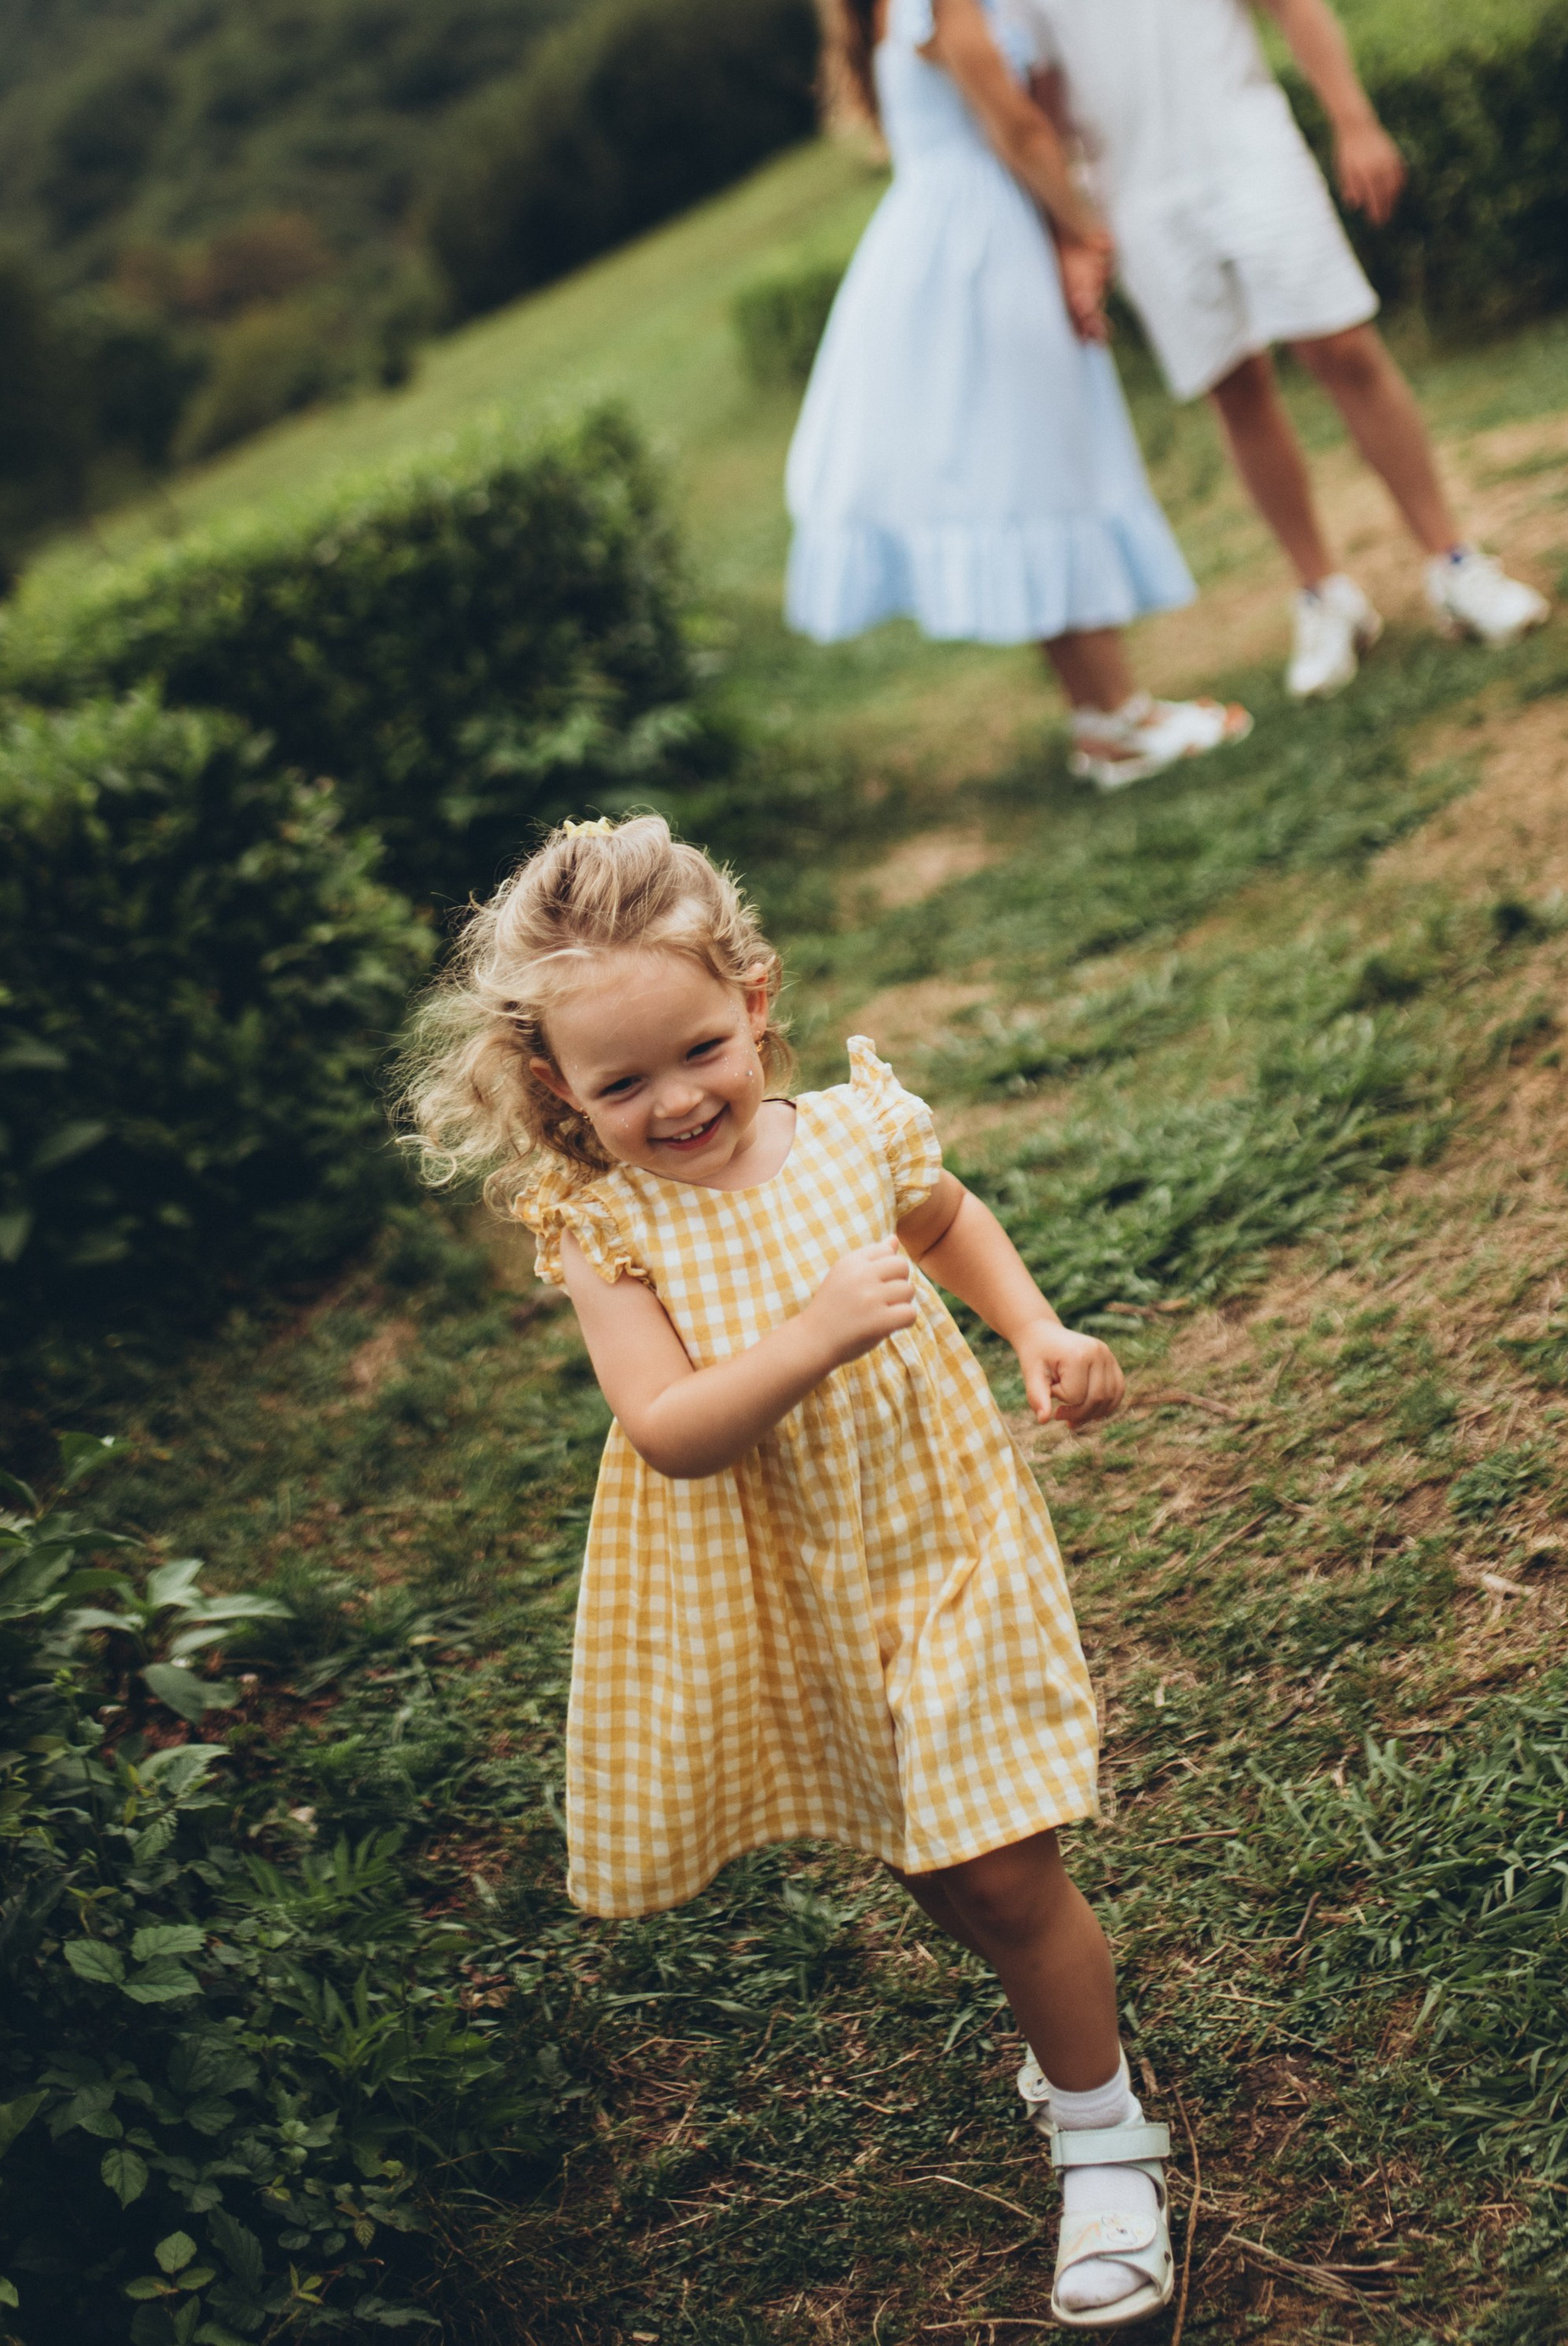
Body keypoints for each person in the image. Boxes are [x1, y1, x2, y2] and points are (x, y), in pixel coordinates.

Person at [402, 813, 1179, 2328]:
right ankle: (1056, 2027)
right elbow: (671, 1429)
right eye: (623, 1082)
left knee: (1002, 1866)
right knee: (929, 1853)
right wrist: (812, 1332)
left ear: (753, 999)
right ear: (557, 1086)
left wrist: (1035, 1324)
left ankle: (1103, 2136)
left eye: (701, 1048)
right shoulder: (604, 1229)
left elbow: (946, 1217)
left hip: (940, 1533)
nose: (679, 1099)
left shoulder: (850, 1133)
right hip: (787, 1581)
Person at [952, 0, 1550, 700]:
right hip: (1137, 200)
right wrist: (1075, 236)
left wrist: (1353, 121)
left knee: (1342, 348)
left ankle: (1453, 564)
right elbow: (1041, 108)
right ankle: (1324, 595)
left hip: (1248, 152)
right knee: (1236, 391)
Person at [784, 0, 1249, 792]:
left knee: (1021, 475)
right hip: (986, 247)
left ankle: (1105, 717)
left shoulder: (893, 3)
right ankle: (1116, 719)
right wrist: (1086, 233)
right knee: (1048, 467)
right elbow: (1019, 128)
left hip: (933, 247)